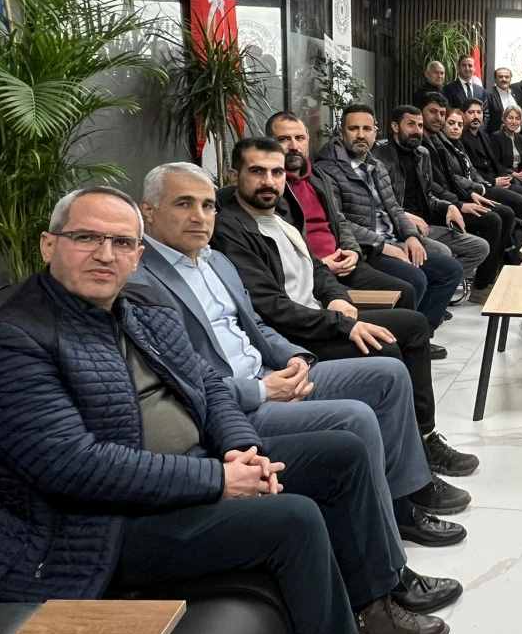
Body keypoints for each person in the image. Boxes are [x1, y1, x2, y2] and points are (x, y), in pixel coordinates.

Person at [0, 186, 452, 634]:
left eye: (121, 242)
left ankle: (374, 604)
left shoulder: (141, 306)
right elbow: (73, 466)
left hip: (194, 465)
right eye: (86, 238)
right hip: (100, 524)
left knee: (343, 453)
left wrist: (240, 447)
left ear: (137, 255)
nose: (105, 254)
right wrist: (217, 479)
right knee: (293, 518)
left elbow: (210, 385)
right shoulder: (18, 335)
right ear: (48, 245)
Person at [134, 162, 468, 548]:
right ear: (149, 211)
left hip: (275, 370)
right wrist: (263, 389)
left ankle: (406, 493)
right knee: (356, 416)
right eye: (184, 204)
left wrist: (297, 358)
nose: (199, 216)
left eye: (208, 205)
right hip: (236, 405)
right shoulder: (142, 282)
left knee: (388, 374)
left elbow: (256, 324)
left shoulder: (215, 261)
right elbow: (183, 381)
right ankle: (391, 535)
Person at [212, 137, 480, 484]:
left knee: (413, 326)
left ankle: (425, 437)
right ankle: (404, 469)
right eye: (257, 172)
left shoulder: (280, 213)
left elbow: (315, 267)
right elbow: (269, 306)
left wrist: (336, 296)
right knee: (385, 348)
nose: (268, 181)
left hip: (320, 315)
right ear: (235, 175)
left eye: (276, 172)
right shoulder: (232, 229)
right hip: (294, 334)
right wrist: (340, 323)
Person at [310, 105, 465, 334]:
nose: (361, 135)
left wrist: (410, 236)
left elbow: (394, 208)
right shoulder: (327, 171)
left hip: (394, 240)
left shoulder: (376, 165)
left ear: (375, 132)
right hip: (366, 249)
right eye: (353, 128)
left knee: (450, 270)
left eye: (366, 129)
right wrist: (383, 246)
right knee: (415, 279)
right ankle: (407, 335)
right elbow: (339, 221)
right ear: (341, 132)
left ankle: (421, 333)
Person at [268, 111, 424, 316]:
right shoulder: (271, 189)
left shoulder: (317, 177)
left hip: (345, 260)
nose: (294, 146)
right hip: (314, 270)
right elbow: (280, 245)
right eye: (284, 139)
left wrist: (353, 251)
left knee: (407, 291)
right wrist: (320, 264)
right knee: (409, 293)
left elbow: (339, 220)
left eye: (300, 138)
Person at [370, 104, 492, 290]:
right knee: (443, 252)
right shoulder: (379, 156)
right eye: (411, 124)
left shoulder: (422, 154)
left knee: (480, 247)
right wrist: (405, 216)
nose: (417, 131)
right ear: (395, 127)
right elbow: (378, 204)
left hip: (426, 225)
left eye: (420, 125)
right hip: (398, 228)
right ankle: (434, 289)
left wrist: (448, 206)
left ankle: (438, 290)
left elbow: (428, 195)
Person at [418, 91, 510, 300]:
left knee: (505, 213)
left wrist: (470, 193)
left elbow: (451, 177)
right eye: (433, 112)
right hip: (438, 208)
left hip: (453, 199)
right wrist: (460, 203)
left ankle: (489, 276)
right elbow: (431, 185)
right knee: (493, 220)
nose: (438, 118)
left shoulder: (437, 140)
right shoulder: (422, 144)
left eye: (442, 113)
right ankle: (480, 285)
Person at [461, 97, 522, 225]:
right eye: (471, 112)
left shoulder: (483, 135)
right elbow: (472, 171)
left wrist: (507, 176)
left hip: (498, 178)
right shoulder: (465, 138)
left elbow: (495, 163)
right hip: (484, 184)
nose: (476, 116)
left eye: (479, 112)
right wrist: (498, 180)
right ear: (463, 114)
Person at [485, 66, 520, 134]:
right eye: (500, 77)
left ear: (510, 79)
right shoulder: (489, 95)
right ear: (495, 79)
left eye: (507, 77)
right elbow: (486, 118)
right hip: (496, 137)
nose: (504, 79)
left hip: (514, 135)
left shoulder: (514, 94)